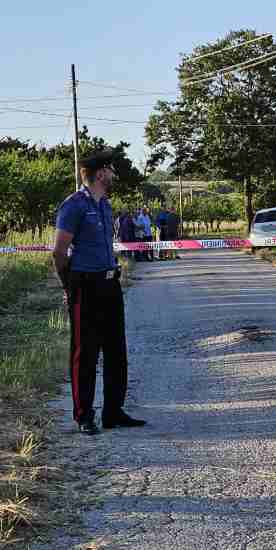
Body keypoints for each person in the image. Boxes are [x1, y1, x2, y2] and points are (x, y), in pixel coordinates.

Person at [52, 148, 146, 435]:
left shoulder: (104, 204)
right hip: (86, 285)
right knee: (86, 351)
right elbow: (59, 252)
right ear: (101, 173)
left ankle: (113, 412)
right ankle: (84, 416)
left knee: (116, 349)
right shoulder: (73, 205)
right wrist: (70, 286)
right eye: (112, 170)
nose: (115, 174)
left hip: (109, 282)